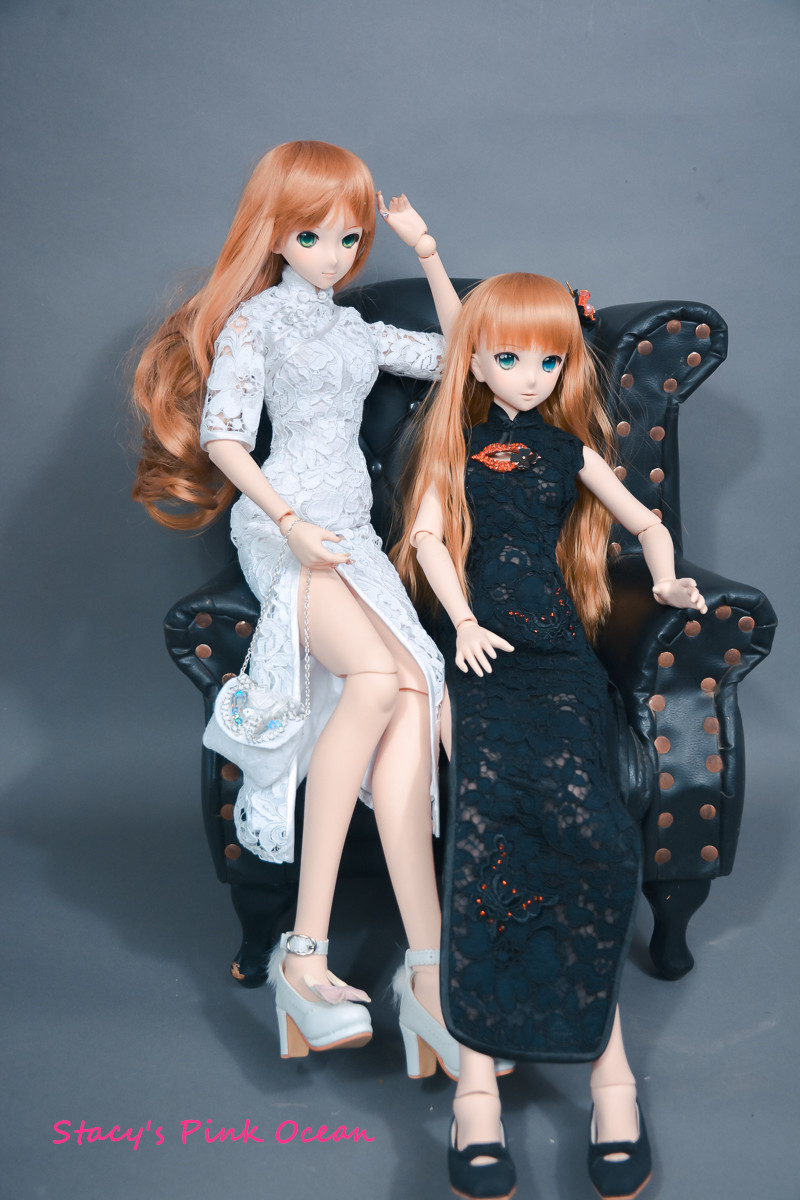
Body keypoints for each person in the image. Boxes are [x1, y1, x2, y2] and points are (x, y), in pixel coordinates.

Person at [132, 140, 473, 1068]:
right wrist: (288, 523)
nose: (333, 255)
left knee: (415, 691)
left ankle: (428, 971)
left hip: (352, 539)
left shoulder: (356, 329)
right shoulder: (257, 324)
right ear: (276, 234)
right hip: (285, 529)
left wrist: (428, 251)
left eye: (350, 239)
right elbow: (225, 438)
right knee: (376, 680)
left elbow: (458, 357)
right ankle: (305, 953)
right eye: (314, 236)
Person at [393, 272, 707, 1200]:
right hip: (482, 658)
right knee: (491, 829)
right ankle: (477, 1093)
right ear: (476, 361)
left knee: (594, 834)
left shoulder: (568, 448)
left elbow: (644, 521)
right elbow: (427, 540)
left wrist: (669, 578)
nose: (529, 377)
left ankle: (611, 1080)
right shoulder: (457, 445)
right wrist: (460, 623)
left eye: (548, 361)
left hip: (561, 657)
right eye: (509, 357)